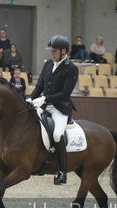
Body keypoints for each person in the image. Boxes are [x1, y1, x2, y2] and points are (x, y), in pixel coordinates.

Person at [28, 35, 78, 185]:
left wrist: (45, 99)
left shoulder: (71, 68)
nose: (52, 53)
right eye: (51, 51)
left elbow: (65, 94)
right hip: (44, 105)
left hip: (60, 108)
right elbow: (39, 87)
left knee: (57, 135)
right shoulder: (48, 64)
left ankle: (62, 173)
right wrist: (31, 99)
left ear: (64, 52)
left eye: (54, 51)